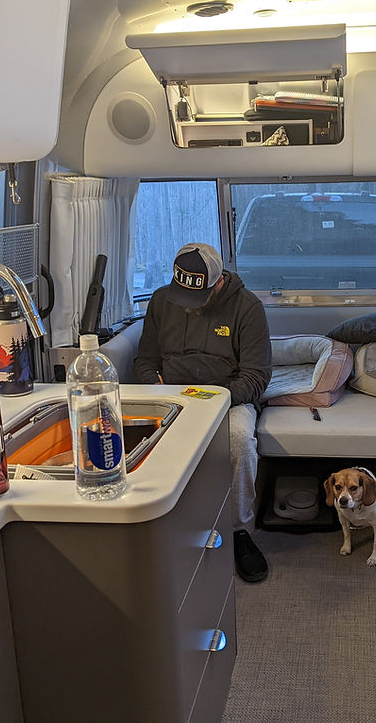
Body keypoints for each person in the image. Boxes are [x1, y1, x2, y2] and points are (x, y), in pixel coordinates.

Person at [132, 243, 272, 582]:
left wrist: (216, 402)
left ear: (218, 281)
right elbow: (145, 360)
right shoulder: (162, 301)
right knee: (141, 439)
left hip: (228, 398)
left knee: (239, 440)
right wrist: (158, 388)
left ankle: (239, 530)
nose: (189, 306)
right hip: (171, 395)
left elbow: (256, 376)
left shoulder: (248, 308)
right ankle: (165, 525)